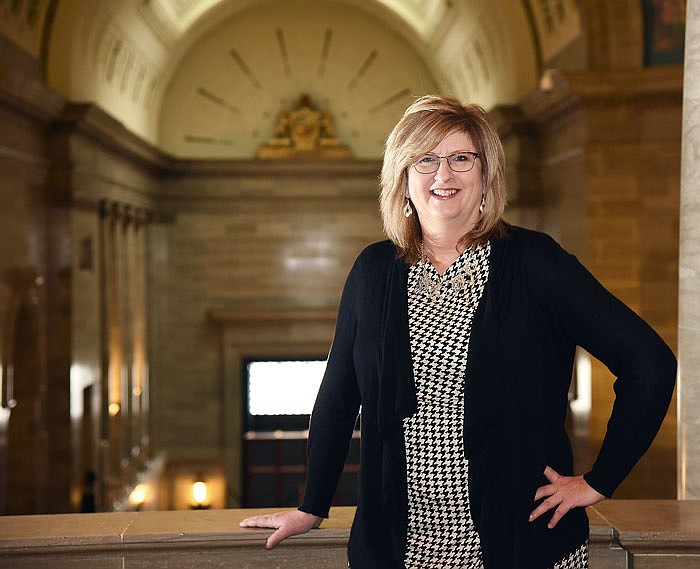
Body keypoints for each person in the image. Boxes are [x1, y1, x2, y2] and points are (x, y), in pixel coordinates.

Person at [239, 95, 676, 568]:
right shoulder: (372, 271)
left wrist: (599, 480)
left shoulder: (536, 263)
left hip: (522, 545)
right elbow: (339, 396)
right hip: (399, 548)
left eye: (461, 158)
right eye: (425, 160)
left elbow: (649, 363)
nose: (442, 175)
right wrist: (312, 505)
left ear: (485, 174)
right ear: (402, 180)